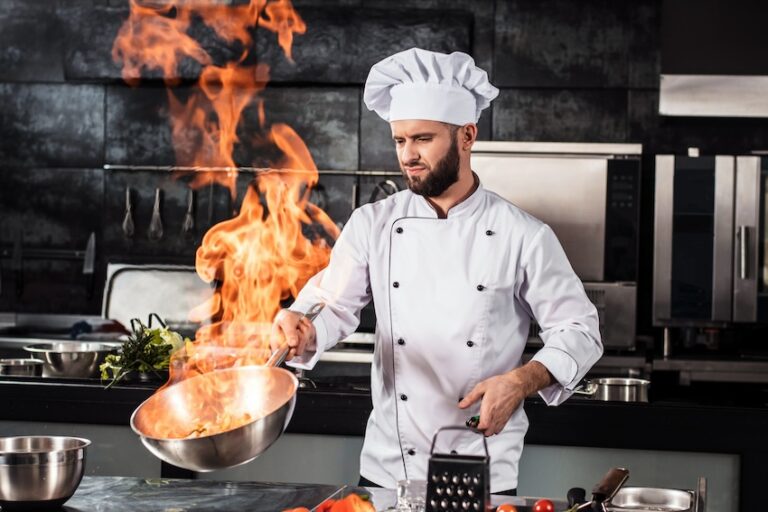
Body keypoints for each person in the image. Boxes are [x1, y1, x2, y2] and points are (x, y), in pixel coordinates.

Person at [270, 47, 603, 494]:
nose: (408, 155)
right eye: (399, 141)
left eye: (423, 139)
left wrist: (522, 380)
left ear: (467, 136)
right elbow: (331, 305)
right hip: (388, 467)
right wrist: (303, 325)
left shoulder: (522, 234)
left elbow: (580, 330)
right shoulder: (374, 223)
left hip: (481, 467)